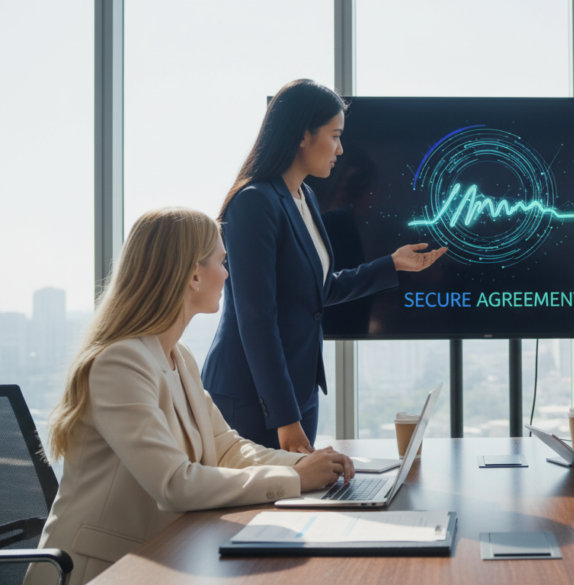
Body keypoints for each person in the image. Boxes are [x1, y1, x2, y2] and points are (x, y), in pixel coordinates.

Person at [24, 208, 353, 585]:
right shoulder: (120, 363)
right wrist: (294, 481)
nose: (227, 274)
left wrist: (305, 467)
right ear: (193, 275)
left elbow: (228, 448)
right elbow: (174, 484)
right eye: (221, 262)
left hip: (163, 553)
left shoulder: (180, 357)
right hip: (99, 569)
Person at [202, 79, 446, 452]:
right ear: (303, 135)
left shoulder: (306, 198)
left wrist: (392, 265)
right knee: (258, 510)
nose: (341, 148)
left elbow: (320, 289)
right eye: (334, 136)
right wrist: (285, 419)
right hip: (252, 399)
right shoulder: (255, 203)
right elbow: (257, 319)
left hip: (299, 395)